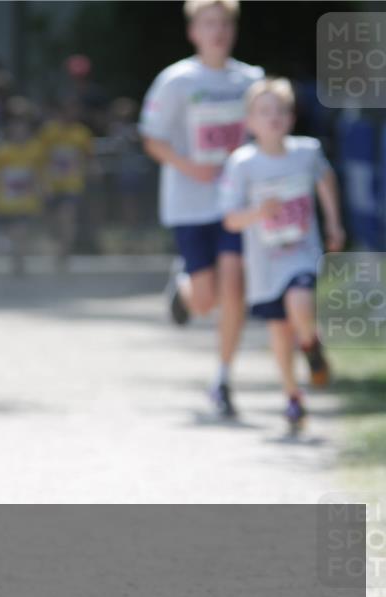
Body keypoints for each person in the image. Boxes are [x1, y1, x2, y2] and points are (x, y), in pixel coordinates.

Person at [139, 0, 263, 417]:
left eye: (224, 24)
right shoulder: (176, 81)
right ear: (194, 31)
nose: (218, 32)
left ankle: (223, 379)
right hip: (189, 203)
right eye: (209, 24)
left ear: (234, 30)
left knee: (235, 288)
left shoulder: (251, 80)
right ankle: (185, 287)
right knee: (207, 300)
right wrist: (191, 166)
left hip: (236, 203)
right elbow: (152, 139)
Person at [219, 78, 343, 430]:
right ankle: (292, 395)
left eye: (280, 111)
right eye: (264, 111)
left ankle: (311, 343)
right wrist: (260, 212)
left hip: (302, 251)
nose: (273, 118)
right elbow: (230, 219)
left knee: (300, 301)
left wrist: (334, 224)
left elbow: (326, 180)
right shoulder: (242, 164)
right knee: (279, 328)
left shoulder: (307, 152)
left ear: (291, 118)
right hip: (264, 262)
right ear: (250, 121)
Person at [0, 98, 44, 274]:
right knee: (13, 232)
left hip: (27, 201)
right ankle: (16, 257)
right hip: (5, 202)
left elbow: (39, 174)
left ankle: (19, 259)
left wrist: (41, 190)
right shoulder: (0, 152)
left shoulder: (35, 148)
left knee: (21, 230)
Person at [38, 96, 92, 262]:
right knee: (51, 220)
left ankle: (65, 251)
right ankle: (55, 246)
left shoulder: (82, 133)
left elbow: (88, 157)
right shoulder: (48, 132)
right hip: (52, 184)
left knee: (67, 215)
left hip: (72, 184)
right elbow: (39, 158)